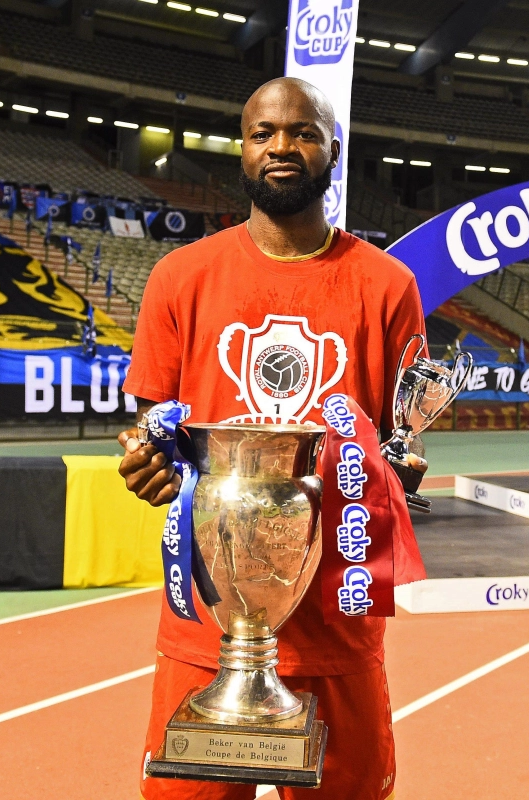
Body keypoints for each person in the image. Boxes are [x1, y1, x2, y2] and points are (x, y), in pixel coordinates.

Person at [118, 77, 425, 800]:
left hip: (334, 621)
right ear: (244, 148)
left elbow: (399, 440)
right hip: (207, 615)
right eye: (264, 134)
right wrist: (143, 461)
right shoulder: (180, 277)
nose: (282, 147)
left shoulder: (387, 286)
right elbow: (148, 424)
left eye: (303, 132)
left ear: (333, 151)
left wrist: (396, 476)